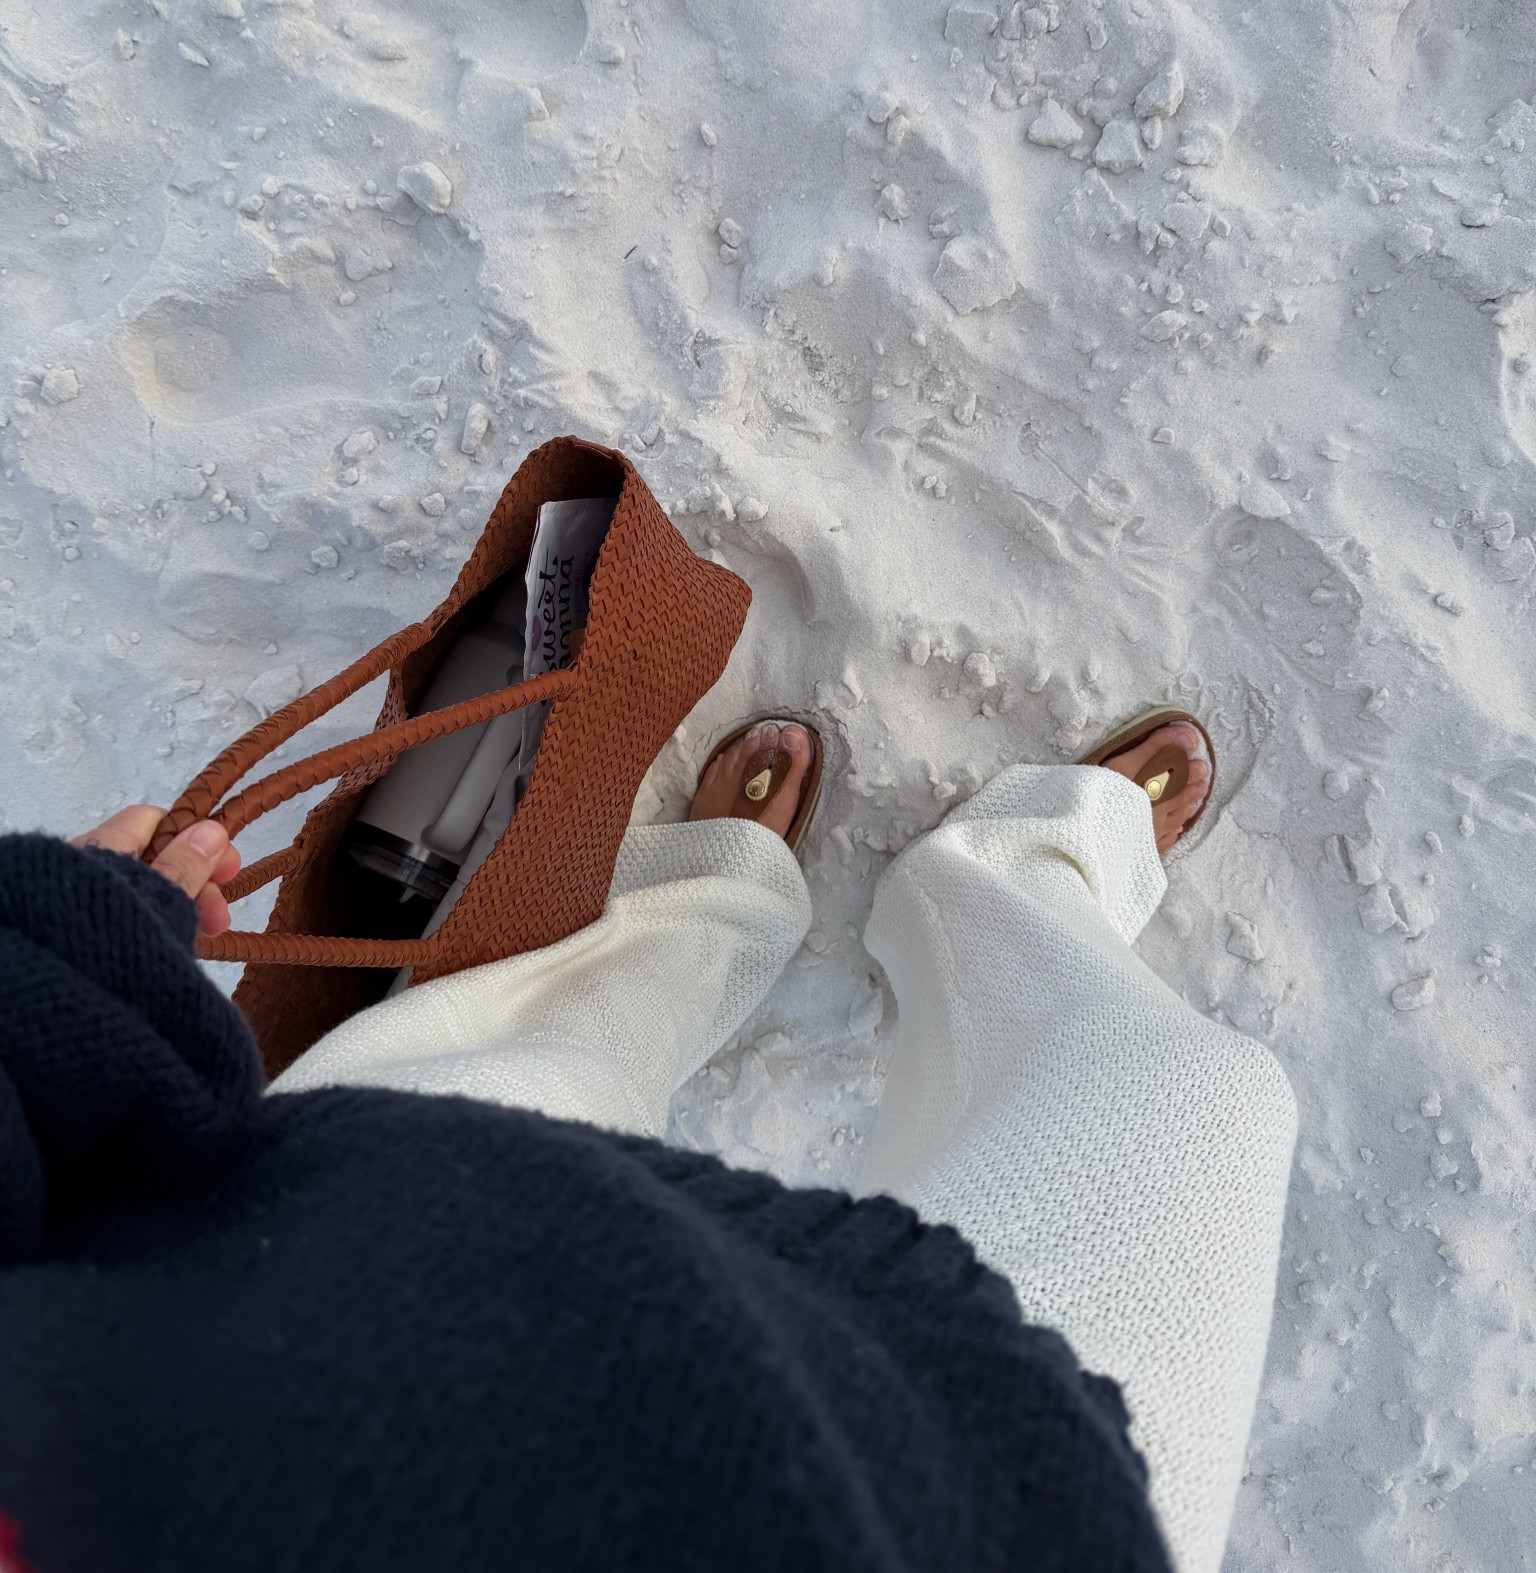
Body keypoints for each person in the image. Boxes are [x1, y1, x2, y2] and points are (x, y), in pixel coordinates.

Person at [0, 709, 1295, 1573]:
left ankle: (706, 904)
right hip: (975, 1508)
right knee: (1202, 1109)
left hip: (335, 1279)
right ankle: (1023, 879)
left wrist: (38, 978)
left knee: (544, 1034)